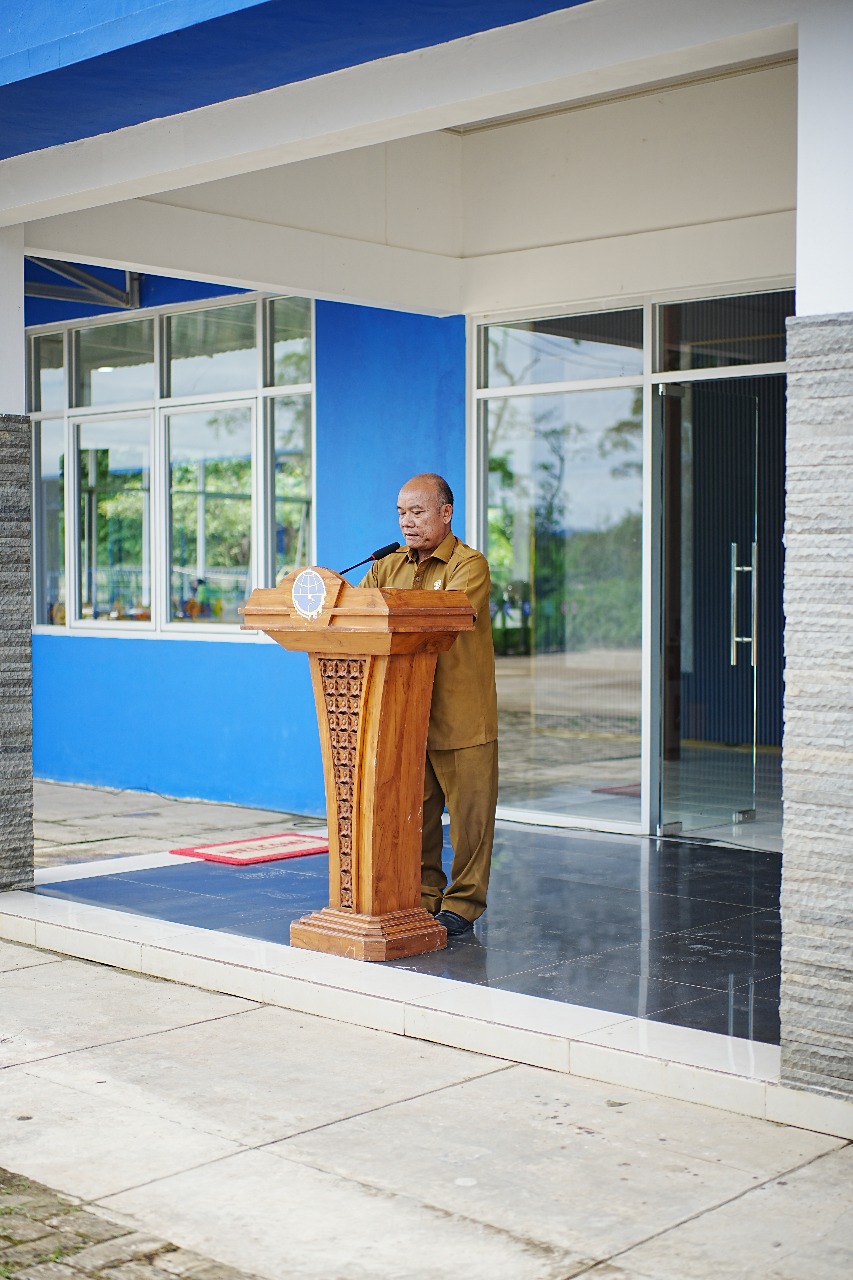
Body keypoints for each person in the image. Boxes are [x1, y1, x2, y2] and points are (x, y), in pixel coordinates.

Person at [361, 473, 498, 936]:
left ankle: (464, 903)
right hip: (406, 714)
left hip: (462, 716)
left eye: (417, 512)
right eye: (401, 513)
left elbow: (446, 617)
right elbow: (359, 612)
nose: (407, 522)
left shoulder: (469, 565)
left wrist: (392, 611)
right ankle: (423, 895)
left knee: (470, 823)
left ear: (446, 512)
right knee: (415, 816)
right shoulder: (385, 565)